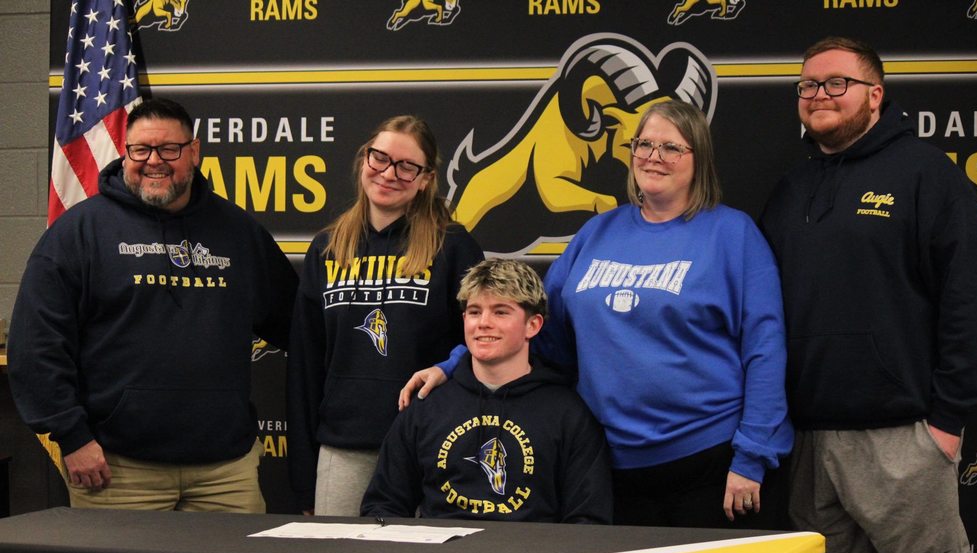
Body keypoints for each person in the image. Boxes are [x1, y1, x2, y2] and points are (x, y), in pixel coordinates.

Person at [402, 100, 792, 529]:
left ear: (698, 158)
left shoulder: (733, 234)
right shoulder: (598, 232)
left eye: (671, 147)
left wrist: (752, 456)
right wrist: (455, 364)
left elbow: (765, 349)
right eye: (644, 144)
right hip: (609, 465)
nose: (654, 157)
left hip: (710, 463)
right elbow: (535, 326)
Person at [759, 37, 977, 553]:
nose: (819, 95)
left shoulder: (926, 174)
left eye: (836, 82)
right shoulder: (791, 189)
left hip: (904, 435)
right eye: (808, 85)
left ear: (875, 94)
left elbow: (973, 300)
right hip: (811, 438)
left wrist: (946, 420)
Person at [8, 97, 297, 513]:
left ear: (194, 152)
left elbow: (296, 324)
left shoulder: (238, 233)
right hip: (116, 470)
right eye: (141, 149)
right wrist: (72, 436)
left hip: (226, 472)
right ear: (126, 153)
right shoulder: (80, 232)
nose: (153, 161)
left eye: (169, 149)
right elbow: (36, 344)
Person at [288, 115, 483, 516]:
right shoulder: (327, 248)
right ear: (364, 158)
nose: (389, 173)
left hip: (430, 444)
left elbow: (484, 341)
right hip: (344, 447)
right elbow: (305, 366)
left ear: (426, 178)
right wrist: (303, 477)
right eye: (380, 158)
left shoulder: (453, 246)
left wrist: (449, 366)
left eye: (407, 166)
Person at [361, 259, 612, 523]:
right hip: (440, 549)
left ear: (533, 325)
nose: (483, 323)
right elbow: (383, 505)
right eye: (474, 312)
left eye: (500, 312)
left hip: (530, 550)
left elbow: (588, 520)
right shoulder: (426, 406)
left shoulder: (569, 415)